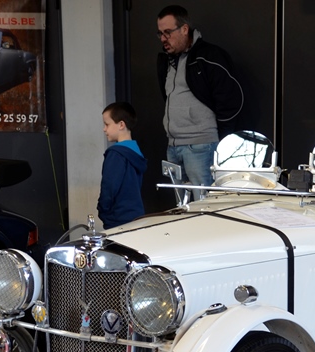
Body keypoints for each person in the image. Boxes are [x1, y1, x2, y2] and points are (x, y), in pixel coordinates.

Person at [156, 5, 243, 194]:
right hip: (173, 146)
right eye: (160, 33)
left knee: (204, 204)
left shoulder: (210, 56)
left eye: (168, 32)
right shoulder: (167, 61)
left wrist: (221, 141)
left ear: (184, 29)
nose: (163, 38)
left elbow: (231, 100)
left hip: (202, 146)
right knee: (182, 205)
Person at [97, 101, 146, 229]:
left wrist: (103, 210)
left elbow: (109, 186)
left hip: (117, 219)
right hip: (136, 215)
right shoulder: (136, 151)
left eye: (107, 124)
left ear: (121, 124)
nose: (104, 129)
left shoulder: (116, 154)